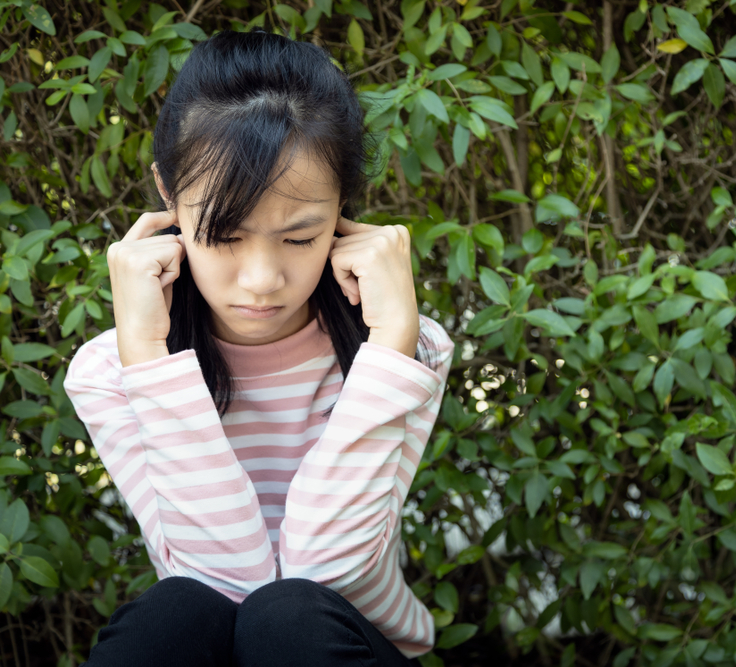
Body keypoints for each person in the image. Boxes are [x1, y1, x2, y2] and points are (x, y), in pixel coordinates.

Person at [63, 27, 454, 667]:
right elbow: (223, 580)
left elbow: (322, 576)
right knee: (174, 615)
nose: (262, 280)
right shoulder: (114, 369)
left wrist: (390, 346)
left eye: (300, 238)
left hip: (344, 646)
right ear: (168, 195)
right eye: (224, 235)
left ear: (343, 208)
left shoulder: (405, 352)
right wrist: (146, 355)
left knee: (287, 619)